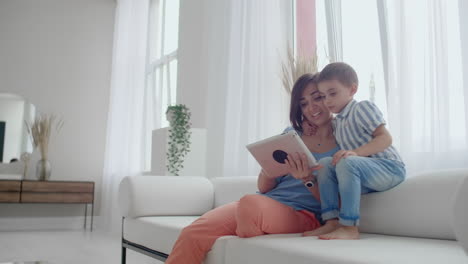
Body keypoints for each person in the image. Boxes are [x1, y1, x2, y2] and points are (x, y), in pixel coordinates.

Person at [165, 73, 340, 264]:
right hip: (265, 202)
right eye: (304, 103)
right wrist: (268, 170)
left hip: (304, 214)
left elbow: (335, 204)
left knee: (249, 206)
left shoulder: (344, 141)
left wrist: (307, 179)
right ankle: (250, 224)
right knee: (193, 232)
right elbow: (264, 188)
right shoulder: (292, 135)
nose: (311, 108)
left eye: (317, 98)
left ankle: (250, 224)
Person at [303, 62, 406, 240]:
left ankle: (349, 227)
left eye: (332, 93)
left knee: (346, 161)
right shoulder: (338, 122)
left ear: (352, 90)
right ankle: (331, 221)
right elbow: (324, 130)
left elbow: (385, 138)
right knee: (324, 164)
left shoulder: (362, 108)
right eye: (323, 96)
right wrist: (309, 127)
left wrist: (356, 153)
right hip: (363, 172)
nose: (327, 101)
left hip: (389, 168)